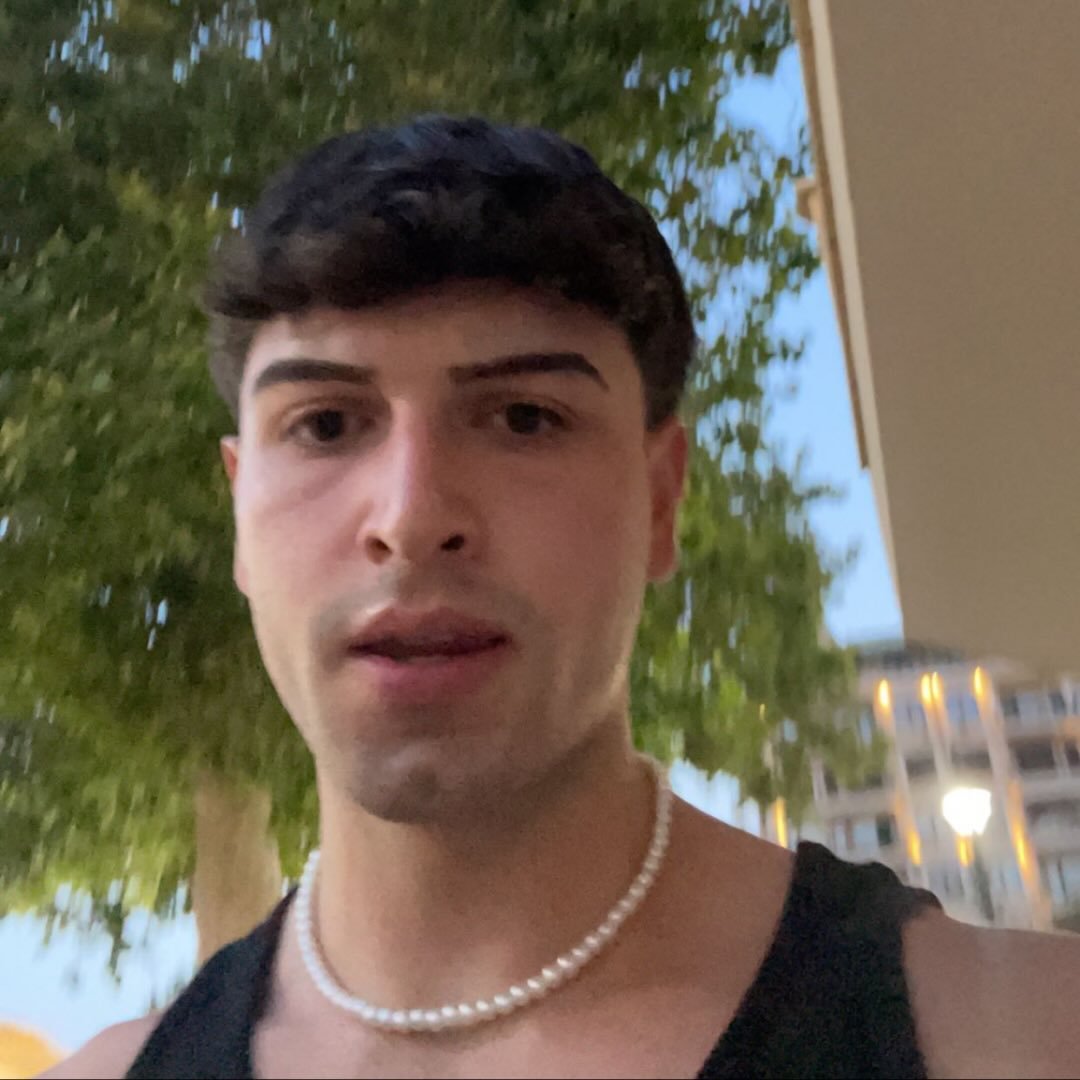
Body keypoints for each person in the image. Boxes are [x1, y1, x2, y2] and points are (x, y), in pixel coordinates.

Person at [44, 115, 1079, 1080]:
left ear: (661, 501)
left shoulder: (1025, 1037)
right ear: (239, 507)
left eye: (525, 419)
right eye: (324, 425)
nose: (411, 516)